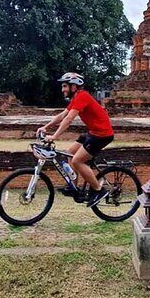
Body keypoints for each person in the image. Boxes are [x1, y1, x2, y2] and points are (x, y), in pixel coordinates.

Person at [37, 72, 114, 207]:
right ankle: (74, 187)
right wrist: (46, 126)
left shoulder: (82, 96)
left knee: (77, 161)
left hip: (102, 135)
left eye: (65, 86)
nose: (63, 90)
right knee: (69, 154)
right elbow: (62, 115)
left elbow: (69, 119)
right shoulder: (76, 98)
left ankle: (99, 190)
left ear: (74, 86)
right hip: (92, 133)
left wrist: (54, 136)